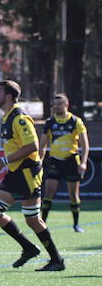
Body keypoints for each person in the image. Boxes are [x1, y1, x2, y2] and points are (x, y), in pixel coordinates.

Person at [0, 80, 65, 271]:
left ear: (9, 96)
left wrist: (3, 161)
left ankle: (57, 260)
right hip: (15, 173)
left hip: (28, 172)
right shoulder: (7, 117)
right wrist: (5, 162)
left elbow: (32, 146)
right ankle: (28, 248)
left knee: (32, 219)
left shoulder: (20, 117)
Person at [39, 94, 90, 232]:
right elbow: (42, 144)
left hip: (71, 161)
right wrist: (39, 162)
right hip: (54, 161)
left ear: (66, 105)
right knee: (48, 192)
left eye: (59, 104)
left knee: (73, 194)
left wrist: (83, 162)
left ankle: (76, 224)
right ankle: (42, 224)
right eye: (55, 105)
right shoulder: (50, 122)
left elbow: (85, 144)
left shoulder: (75, 121)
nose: (56, 107)